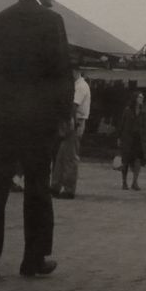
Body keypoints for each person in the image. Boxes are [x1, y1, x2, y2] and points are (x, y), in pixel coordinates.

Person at [0, 0, 72, 283]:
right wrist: (63, 115)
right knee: (38, 187)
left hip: (0, 117)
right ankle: (34, 258)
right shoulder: (52, 22)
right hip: (38, 121)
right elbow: (61, 73)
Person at [52, 65, 90, 199]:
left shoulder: (80, 86)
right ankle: (56, 185)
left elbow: (73, 106)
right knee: (62, 155)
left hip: (75, 121)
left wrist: (70, 122)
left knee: (69, 157)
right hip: (72, 121)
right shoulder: (76, 85)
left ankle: (68, 188)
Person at [118, 93, 146, 190]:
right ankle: (124, 182)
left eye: (142, 97)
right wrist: (119, 138)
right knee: (125, 160)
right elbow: (122, 125)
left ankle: (135, 182)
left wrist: (145, 140)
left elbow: (145, 127)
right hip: (128, 138)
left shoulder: (143, 111)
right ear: (135, 98)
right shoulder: (127, 110)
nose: (141, 99)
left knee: (138, 160)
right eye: (140, 97)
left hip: (138, 139)